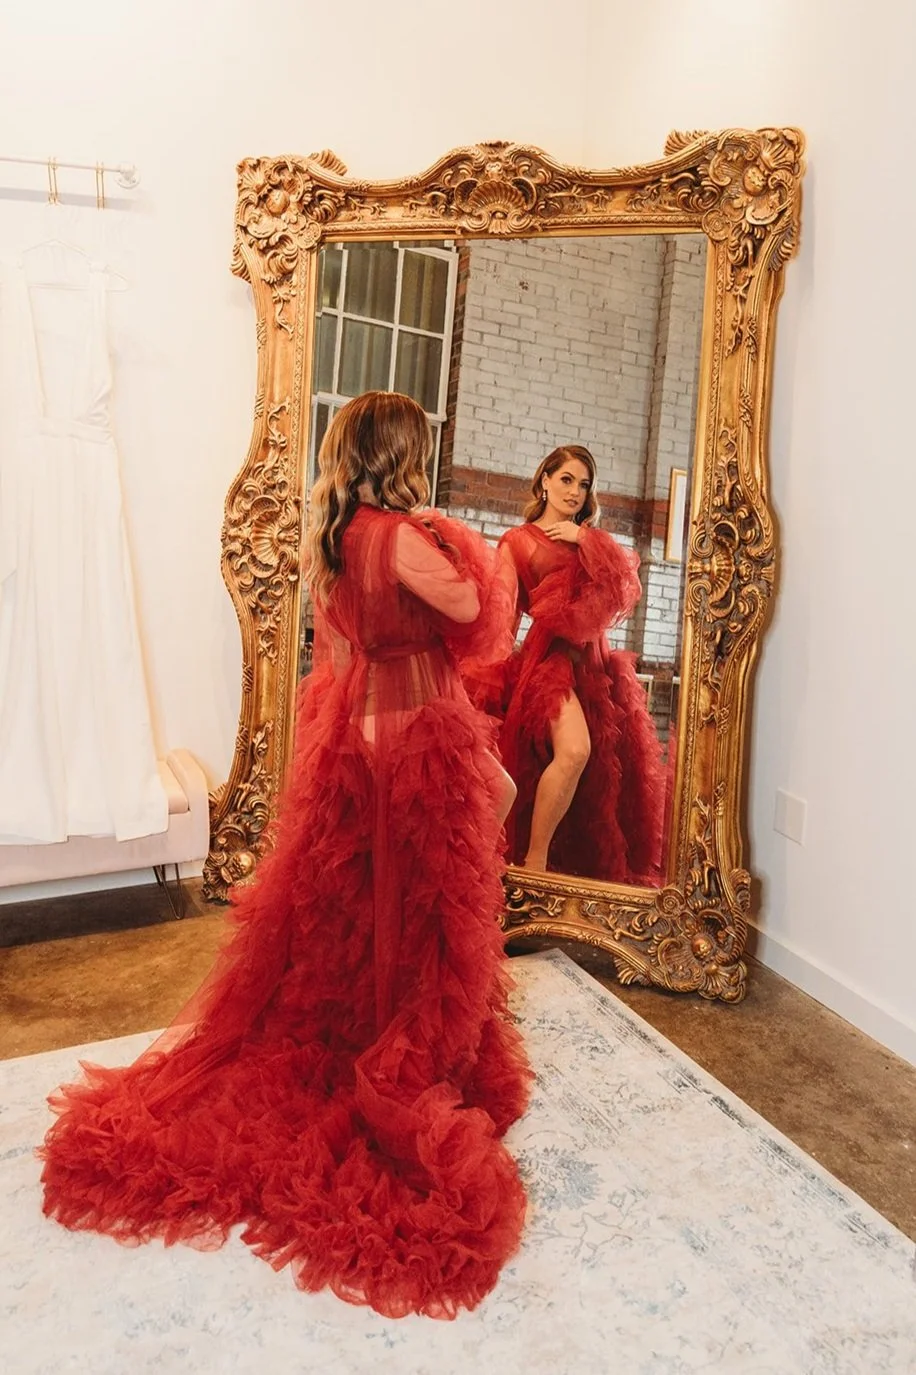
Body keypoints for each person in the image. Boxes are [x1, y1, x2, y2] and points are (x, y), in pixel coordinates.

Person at [39, 392, 532, 1321]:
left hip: (363, 722)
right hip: (420, 726)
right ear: (401, 454)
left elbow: (340, 645)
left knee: (371, 896)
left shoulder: (335, 538)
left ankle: (375, 1020)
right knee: (423, 898)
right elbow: (477, 610)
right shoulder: (399, 533)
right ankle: (404, 1038)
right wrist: (475, 545)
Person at [495, 445, 666, 885]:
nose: (574, 491)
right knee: (575, 751)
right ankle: (532, 864)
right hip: (550, 661)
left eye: (583, 483)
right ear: (545, 480)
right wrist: (491, 675)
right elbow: (505, 615)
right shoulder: (517, 541)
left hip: (597, 665)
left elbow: (626, 587)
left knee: (602, 784)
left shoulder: (590, 538)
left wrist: (584, 539)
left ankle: (559, 874)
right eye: (566, 479)